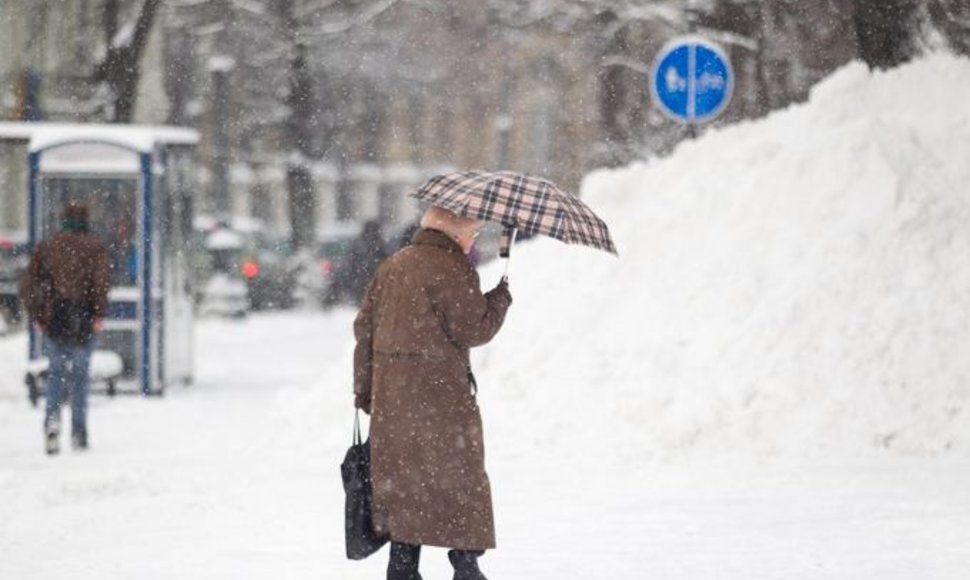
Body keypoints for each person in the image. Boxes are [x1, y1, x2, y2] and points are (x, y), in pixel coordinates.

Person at [353, 206, 513, 580]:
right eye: (471, 233)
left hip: (393, 402)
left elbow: (364, 330)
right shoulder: (452, 268)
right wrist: (500, 299)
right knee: (459, 478)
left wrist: (365, 391)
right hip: (442, 400)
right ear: (456, 233)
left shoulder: (392, 266)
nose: (472, 240)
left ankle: (403, 566)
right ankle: (465, 563)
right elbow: (474, 329)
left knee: (405, 481)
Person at [20, 203, 109, 455]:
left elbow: (29, 283)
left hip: (55, 319)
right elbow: (100, 284)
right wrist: (98, 314)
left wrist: (39, 315)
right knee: (80, 377)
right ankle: (79, 432)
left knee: (56, 374)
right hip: (83, 318)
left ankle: (52, 421)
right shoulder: (94, 247)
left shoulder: (48, 247)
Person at [332, 220, 389, 306]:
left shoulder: (359, 243)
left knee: (363, 304)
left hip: (361, 279)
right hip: (375, 279)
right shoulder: (380, 243)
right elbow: (386, 259)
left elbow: (350, 262)